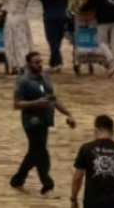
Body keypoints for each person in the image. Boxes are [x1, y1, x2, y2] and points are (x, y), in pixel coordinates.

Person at [11, 51, 77, 196]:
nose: (40, 65)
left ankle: (18, 179)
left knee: (35, 152)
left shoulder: (45, 77)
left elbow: (53, 99)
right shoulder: (24, 81)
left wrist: (68, 114)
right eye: (37, 62)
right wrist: (34, 103)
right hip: (31, 121)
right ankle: (47, 185)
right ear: (29, 64)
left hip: (45, 120)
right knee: (41, 153)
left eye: (41, 61)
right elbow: (16, 104)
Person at [35, 0, 70, 72]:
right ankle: (53, 62)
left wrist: (44, 0)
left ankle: (58, 62)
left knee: (52, 41)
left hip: (49, 16)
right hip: (61, 15)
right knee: (57, 41)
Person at [0, 0, 34, 74]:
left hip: (10, 20)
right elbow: (27, 4)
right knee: (23, 43)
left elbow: (1, 5)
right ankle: (23, 64)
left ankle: (13, 66)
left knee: (11, 43)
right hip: (22, 19)